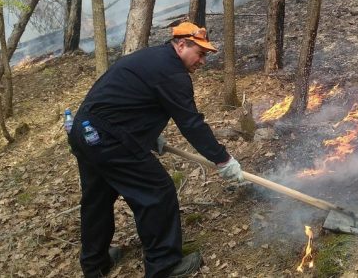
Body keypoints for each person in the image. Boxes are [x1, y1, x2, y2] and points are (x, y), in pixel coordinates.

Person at [67, 21, 244, 278]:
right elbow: (191, 124)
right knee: (157, 192)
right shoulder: (172, 73)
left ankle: (95, 263)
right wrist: (223, 160)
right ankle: (164, 265)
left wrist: (148, 138)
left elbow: (127, 100)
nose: (203, 61)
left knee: (97, 200)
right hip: (109, 140)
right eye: (201, 54)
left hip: (84, 132)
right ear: (182, 45)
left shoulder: (153, 58)